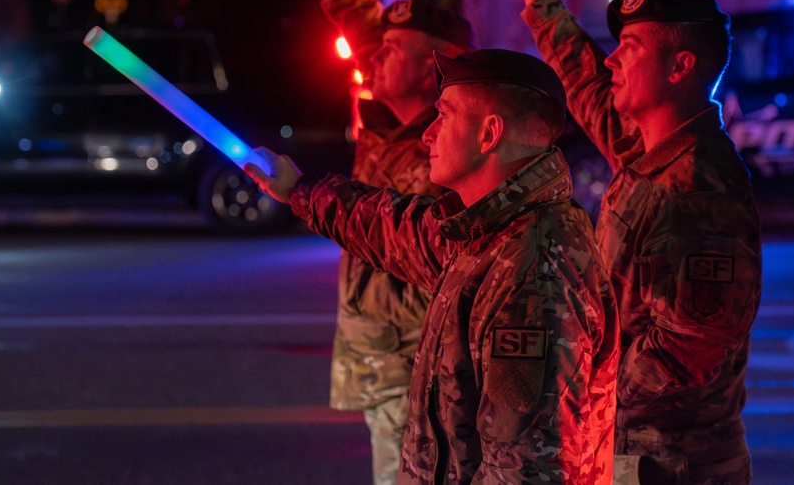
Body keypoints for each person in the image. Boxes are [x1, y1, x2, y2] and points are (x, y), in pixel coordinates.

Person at [245, 49, 619, 484]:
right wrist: (300, 191)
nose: (428, 134)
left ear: (489, 133)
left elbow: (525, 472)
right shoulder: (490, 230)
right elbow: (396, 228)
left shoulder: (533, 271)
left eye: (444, 115)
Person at [488, 0, 762, 485]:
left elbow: (690, 346)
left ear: (679, 67)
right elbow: (582, 75)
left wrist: (575, 386)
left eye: (631, 46)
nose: (612, 57)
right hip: (629, 453)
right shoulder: (646, 155)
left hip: (675, 465)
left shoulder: (700, 189)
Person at [297, 0, 474, 484]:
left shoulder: (447, 156)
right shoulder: (384, 124)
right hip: (381, 368)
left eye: (394, 51)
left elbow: (434, 273)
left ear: (434, 69)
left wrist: (299, 192)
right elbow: (366, 25)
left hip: (414, 375)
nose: (374, 57)